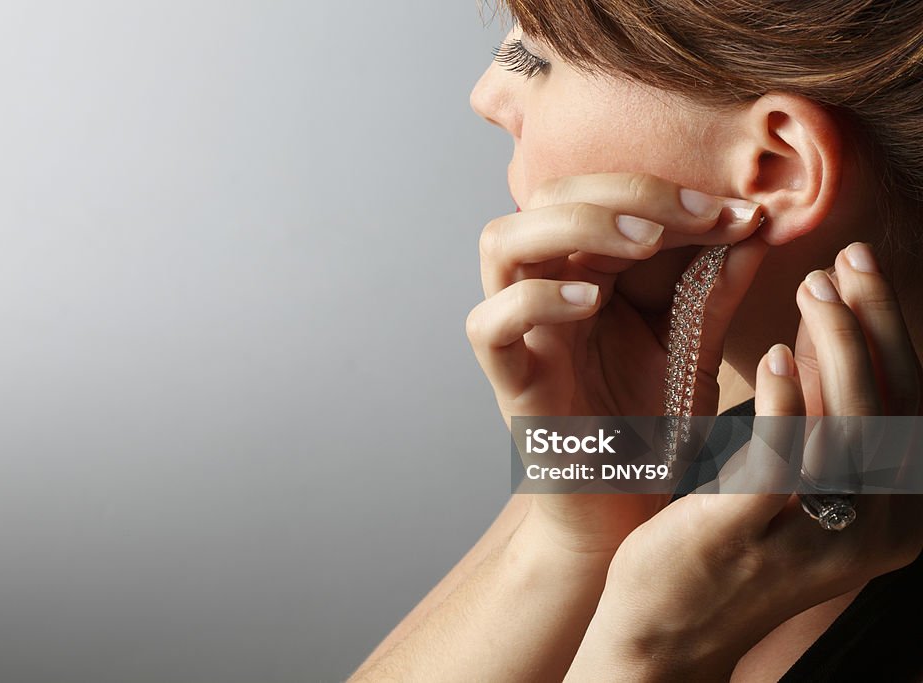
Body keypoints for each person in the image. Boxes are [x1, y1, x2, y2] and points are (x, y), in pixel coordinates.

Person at [348, 0, 923, 680]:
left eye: (539, 59)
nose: (488, 94)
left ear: (776, 165)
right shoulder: (702, 394)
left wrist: (651, 651)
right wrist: (570, 534)